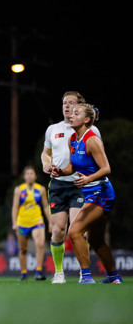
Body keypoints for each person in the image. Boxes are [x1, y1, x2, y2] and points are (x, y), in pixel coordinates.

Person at [51, 103, 122, 284]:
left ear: (87, 119)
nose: (71, 115)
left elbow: (106, 168)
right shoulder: (73, 139)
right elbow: (72, 167)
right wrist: (61, 171)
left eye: (76, 113)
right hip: (91, 193)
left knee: (74, 232)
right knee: (95, 239)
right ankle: (114, 278)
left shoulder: (92, 140)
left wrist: (88, 179)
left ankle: (87, 278)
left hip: (102, 194)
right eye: (71, 113)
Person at [41, 91, 100, 284]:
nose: (66, 106)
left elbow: (98, 155)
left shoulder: (90, 129)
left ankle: (85, 272)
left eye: (71, 103)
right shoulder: (52, 129)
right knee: (58, 231)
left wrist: (92, 176)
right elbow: (45, 153)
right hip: (58, 185)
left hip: (80, 184)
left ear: (79, 106)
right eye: (64, 103)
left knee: (77, 230)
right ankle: (59, 273)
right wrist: (46, 164)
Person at [11, 166, 50, 281]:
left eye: (32, 173)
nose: (29, 176)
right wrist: (14, 223)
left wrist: (51, 223)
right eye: (27, 174)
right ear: (24, 177)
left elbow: (46, 207)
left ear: (35, 176)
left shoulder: (41, 189)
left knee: (40, 244)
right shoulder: (19, 189)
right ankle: (24, 273)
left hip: (37, 221)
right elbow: (15, 207)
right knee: (23, 249)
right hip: (22, 222)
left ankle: (38, 271)